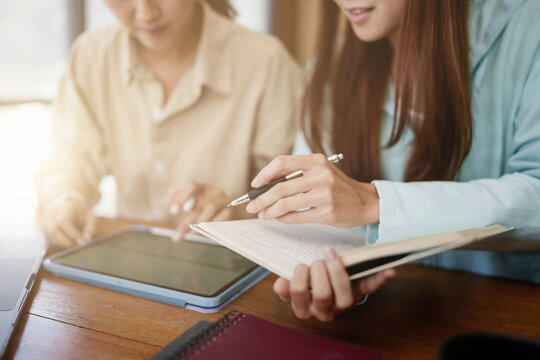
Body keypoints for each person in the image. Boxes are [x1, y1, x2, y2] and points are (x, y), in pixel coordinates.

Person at [245, 0, 540, 321]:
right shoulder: (331, 66)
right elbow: (317, 221)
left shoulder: (528, 28)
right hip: (388, 318)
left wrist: (374, 203)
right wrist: (337, 272)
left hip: (509, 319)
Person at [35, 0, 303, 247]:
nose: (145, 13)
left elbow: (293, 192)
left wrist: (238, 210)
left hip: (233, 261)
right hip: (131, 257)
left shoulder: (267, 64)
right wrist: (66, 196)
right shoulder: (92, 55)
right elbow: (70, 157)